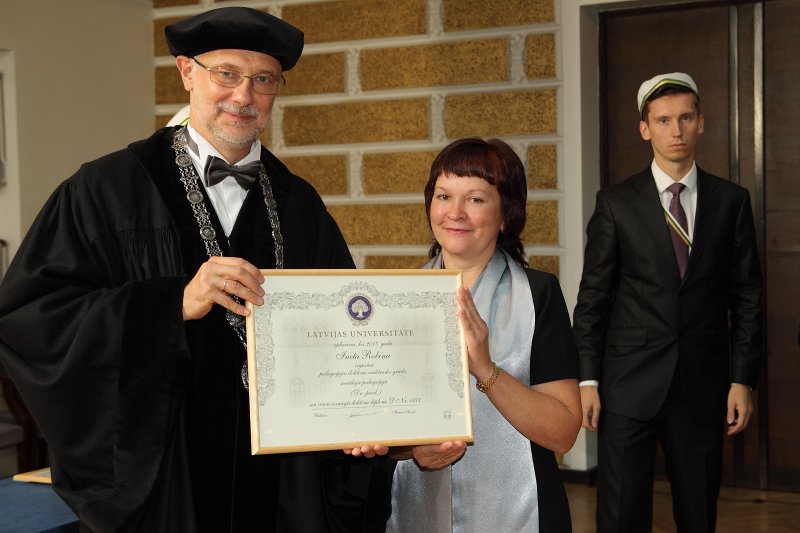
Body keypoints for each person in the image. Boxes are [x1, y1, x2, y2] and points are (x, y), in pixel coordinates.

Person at [0, 7, 393, 532]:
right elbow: (32, 316)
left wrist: (368, 414)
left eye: (263, 80)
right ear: (187, 72)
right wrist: (170, 304)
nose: (243, 96)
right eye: (226, 74)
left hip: (280, 489)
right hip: (169, 480)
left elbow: (345, 334)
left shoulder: (300, 204)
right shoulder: (106, 190)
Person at [572, 73, 763, 532]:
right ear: (645, 129)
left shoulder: (731, 201)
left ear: (700, 123)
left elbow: (749, 296)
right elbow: (593, 297)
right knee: (621, 513)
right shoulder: (615, 204)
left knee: (698, 511)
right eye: (662, 120)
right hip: (627, 384)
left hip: (702, 383)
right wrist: (587, 380)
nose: (674, 130)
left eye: (684, 118)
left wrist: (742, 381)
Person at [383, 137, 582, 532]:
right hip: (414, 505)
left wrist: (486, 369)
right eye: (443, 196)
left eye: (475, 199)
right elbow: (377, 424)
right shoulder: (396, 296)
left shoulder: (538, 295)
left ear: (505, 214)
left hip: (520, 510)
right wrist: (410, 450)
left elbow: (562, 434)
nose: (455, 213)